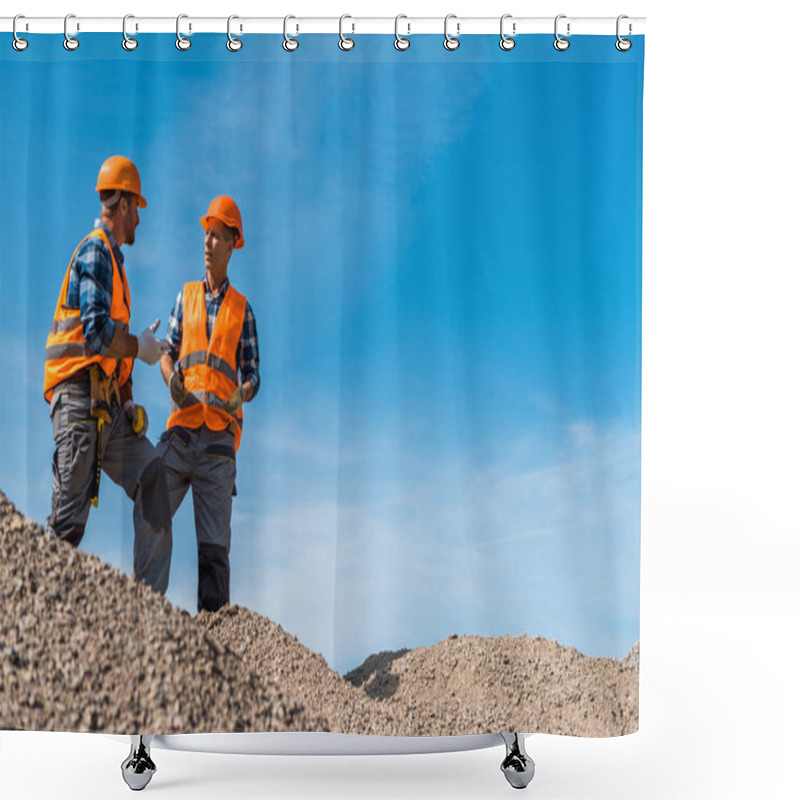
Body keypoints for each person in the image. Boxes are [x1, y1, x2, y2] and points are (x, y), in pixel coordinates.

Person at [44, 155, 173, 594]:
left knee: (152, 472)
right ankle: (37, 614)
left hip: (107, 406)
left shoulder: (116, 267)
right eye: (136, 206)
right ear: (122, 205)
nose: (138, 217)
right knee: (67, 525)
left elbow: (113, 359)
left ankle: (148, 611)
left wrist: (130, 397)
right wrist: (142, 348)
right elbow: (99, 335)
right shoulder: (97, 251)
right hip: (80, 401)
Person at [157, 195, 259, 612]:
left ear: (233, 244)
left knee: (214, 553)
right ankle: (142, 613)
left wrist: (243, 392)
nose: (207, 243)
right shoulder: (186, 297)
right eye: (206, 234)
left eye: (216, 236)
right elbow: (167, 350)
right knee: (151, 504)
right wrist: (171, 380)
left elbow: (252, 372)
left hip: (219, 445)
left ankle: (211, 645)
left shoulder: (242, 310)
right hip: (181, 432)